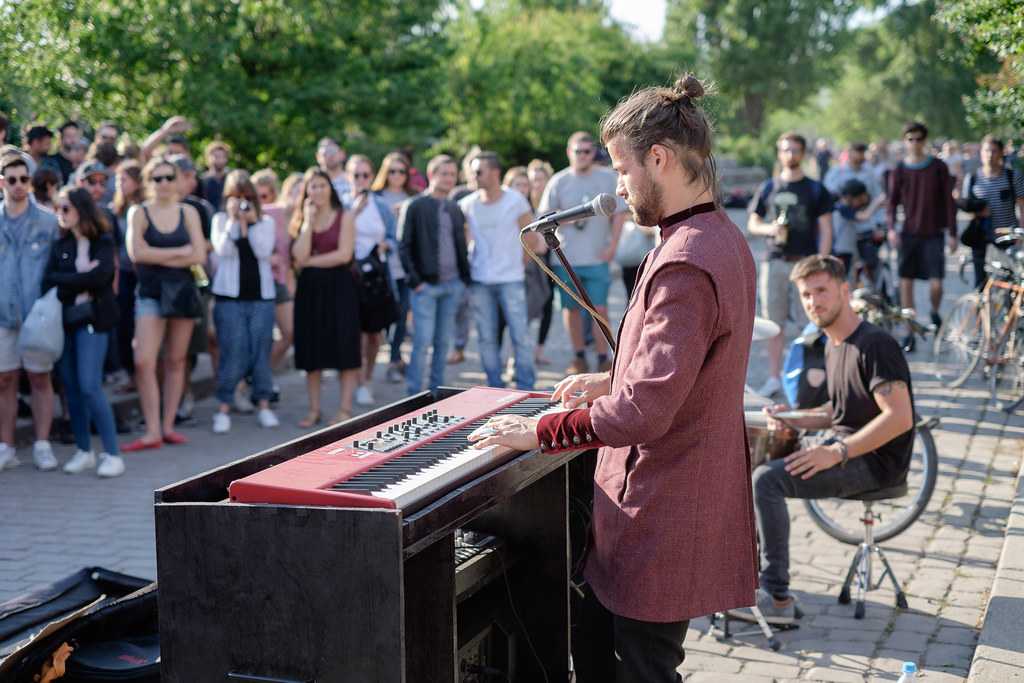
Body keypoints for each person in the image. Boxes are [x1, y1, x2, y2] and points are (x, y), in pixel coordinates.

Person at [469, 75, 757, 683]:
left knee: (642, 672)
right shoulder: (718, 238)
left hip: (660, 509)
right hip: (668, 501)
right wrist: (613, 380)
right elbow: (684, 372)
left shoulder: (685, 261)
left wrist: (540, 431)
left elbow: (647, 415)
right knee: (600, 655)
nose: (619, 189)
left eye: (623, 171)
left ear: (661, 159)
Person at [730, 255, 914, 625]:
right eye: (806, 295)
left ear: (844, 291)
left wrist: (836, 452)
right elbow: (840, 410)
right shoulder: (832, 342)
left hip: (877, 463)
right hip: (847, 450)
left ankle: (776, 595)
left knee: (767, 480)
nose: (814, 301)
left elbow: (900, 417)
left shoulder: (875, 344)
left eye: (822, 291)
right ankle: (747, 577)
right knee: (755, 468)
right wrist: (793, 417)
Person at [123, 156, 207, 451]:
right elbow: (136, 254)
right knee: (143, 360)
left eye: (169, 177)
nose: (163, 184)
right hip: (150, 292)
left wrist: (157, 253)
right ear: (149, 182)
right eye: (157, 178)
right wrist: (178, 253)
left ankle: (168, 426)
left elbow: (199, 256)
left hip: (182, 292)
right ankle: (152, 430)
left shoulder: (189, 212)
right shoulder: (139, 212)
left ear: (178, 180)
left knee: (176, 361)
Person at [43, 187, 125, 477]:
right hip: (66, 322)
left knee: (90, 384)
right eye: (58, 209)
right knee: (71, 387)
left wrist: (75, 280)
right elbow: (50, 278)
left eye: (66, 209)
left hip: (95, 321)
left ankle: (113, 453)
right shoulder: (60, 244)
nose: (60, 215)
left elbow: (102, 276)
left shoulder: (102, 240)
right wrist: (83, 279)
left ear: (81, 209)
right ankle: (83, 450)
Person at [748, 132, 834, 397]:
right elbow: (752, 223)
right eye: (786, 150)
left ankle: (813, 376)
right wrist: (770, 229)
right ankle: (774, 377)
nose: (790, 155)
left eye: (795, 150)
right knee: (773, 324)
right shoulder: (768, 187)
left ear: (803, 153)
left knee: (812, 321)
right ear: (779, 153)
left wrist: (821, 265)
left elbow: (826, 229)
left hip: (805, 264)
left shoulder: (815, 189)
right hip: (774, 262)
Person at [538, 131, 628, 375]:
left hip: (597, 256)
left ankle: (604, 357)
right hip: (566, 258)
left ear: (593, 154)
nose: (583, 156)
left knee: (600, 308)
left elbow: (620, 212)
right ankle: (578, 357)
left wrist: (612, 247)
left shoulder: (607, 177)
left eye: (588, 151)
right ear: (569, 152)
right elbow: (544, 216)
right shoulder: (559, 181)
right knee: (571, 310)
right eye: (578, 151)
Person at [459, 152, 540, 390]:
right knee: (485, 337)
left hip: (511, 279)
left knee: (520, 335)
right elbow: (462, 240)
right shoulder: (467, 204)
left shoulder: (515, 201)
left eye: (479, 171)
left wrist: (518, 266)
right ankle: (494, 386)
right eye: (473, 171)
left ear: (495, 173)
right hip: (480, 280)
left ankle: (526, 387)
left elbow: (532, 239)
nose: (474, 176)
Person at [0, 152, 60, 471]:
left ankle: (42, 443)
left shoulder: (49, 221)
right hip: (2, 315)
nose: (19, 185)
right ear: (2, 182)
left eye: (24, 179)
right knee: (5, 380)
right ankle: (6, 446)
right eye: (12, 180)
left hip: (38, 315)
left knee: (39, 378)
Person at [290, 167, 362, 426]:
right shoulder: (301, 218)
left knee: (345, 347)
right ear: (306, 191)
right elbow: (298, 256)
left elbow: (344, 255)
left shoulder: (346, 216)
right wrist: (308, 224)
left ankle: (344, 408)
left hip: (340, 288)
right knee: (312, 351)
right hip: (310, 290)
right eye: (313, 186)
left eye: (322, 185)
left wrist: (310, 261)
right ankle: (314, 409)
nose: (318, 190)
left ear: (330, 188)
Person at [210, 171, 279, 433]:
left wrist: (248, 223)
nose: (241, 203)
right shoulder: (219, 220)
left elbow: (263, 251)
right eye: (235, 197)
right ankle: (224, 407)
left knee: (261, 351)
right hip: (229, 298)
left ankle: (263, 404)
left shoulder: (265, 222)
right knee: (233, 351)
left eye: (246, 197)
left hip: (261, 297)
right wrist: (232, 222)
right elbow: (222, 250)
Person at [398, 154, 471, 394]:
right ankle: (413, 394)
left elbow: (461, 246)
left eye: (453, 174)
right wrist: (415, 282)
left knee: (443, 343)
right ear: (431, 175)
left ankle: (436, 393)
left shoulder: (454, 208)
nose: (449, 179)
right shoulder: (415, 205)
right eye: (444, 174)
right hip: (425, 287)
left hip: (452, 285)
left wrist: (463, 280)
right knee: (421, 343)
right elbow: (404, 245)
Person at [887, 121, 958, 351]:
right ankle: (909, 332)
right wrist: (891, 228)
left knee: (936, 284)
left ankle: (935, 313)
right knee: (906, 282)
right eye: (910, 139)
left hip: (933, 234)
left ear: (924, 141)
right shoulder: (899, 169)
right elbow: (891, 203)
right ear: (905, 141)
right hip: (908, 234)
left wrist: (953, 233)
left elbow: (949, 202)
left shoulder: (938, 167)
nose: (914, 143)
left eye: (918, 139)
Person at [345, 155, 399, 406]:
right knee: (356, 334)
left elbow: (394, 237)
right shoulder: (343, 205)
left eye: (366, 175)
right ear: (348, 177)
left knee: (374, 335)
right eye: (356, 175)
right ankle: (358, 383)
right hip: (348, 276)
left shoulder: (380, 205)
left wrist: (386, 244)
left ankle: (367, 378)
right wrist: (353, 212)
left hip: (375, 277)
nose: (361, 180)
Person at [371, 152, 415, 384]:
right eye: (392, 171)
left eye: (401, 171)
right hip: (382, 267)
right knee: (388, 314)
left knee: (401, 314)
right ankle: (388, 358)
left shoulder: (413, 197)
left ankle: (394, 358)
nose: (397, 175)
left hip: (405, 266)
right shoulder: (375, 197)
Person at [962, 135, 1024, 289]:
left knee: (1009, 283)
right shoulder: (972, 179)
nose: (990, 155)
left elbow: (1023, 207)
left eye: (994, 151)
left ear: (1001, 153)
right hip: (980, 236)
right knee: (981, 285)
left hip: (1006, 236)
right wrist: (978, 212)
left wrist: (1020, 234)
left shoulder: (1012, 176)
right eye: (986, 151)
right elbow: (965, 206)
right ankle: (982, 311)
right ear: (981, 153)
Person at [252, 169, 295, 376]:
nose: (262, 202)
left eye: (265, 196)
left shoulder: (279, 213)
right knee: (260, 337)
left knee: (289, 333)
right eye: (257, 197)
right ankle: (258, 381)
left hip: (278, 280)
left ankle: (262, 375)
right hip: (255, 282)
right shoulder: (249, 214)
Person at [446, 147, 481, 365]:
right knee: (458, 306)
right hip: (460, 257)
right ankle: (457, 346)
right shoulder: (458, 194)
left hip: (481, 259)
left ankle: (462, 344)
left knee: (470, 308)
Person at [111, 160, 144, 382]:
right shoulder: (116, 209)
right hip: (123, 273)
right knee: (124, 325)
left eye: (123, 179)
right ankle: (130, 373)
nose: (119, 184)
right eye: (117, 180)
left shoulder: (145, 208)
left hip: (143, 274)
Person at [527, 159, 556, 367]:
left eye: (541, 179)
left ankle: (539, 350)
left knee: (547, 305)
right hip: (528, 260)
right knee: (527, 306)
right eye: (534, 179)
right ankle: (520, 352)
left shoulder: (552, 205)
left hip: (549, 260)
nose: (537, 183)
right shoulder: (523, 203)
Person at [201, 141, 230, 211]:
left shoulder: (231, 180)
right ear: (208, 158)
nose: (220, 160)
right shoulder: (201, 181)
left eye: (223, 156)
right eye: (216, 156)